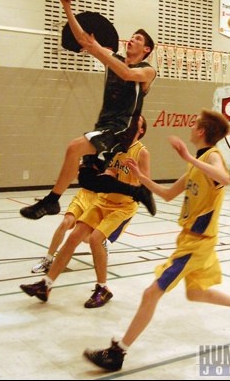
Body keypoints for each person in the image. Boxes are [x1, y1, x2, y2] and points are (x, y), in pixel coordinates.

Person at [83, 109, 230, 371]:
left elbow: (225, 178)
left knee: (151, 293)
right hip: (193, 240)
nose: (191, 127)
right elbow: (167, 194)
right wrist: (141, 178)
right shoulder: (196, 162)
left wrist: (188, 156)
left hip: (197, 242)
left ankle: (117, 352)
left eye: (194, 124)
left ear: (201, 132)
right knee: (196, 292)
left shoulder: (211, 156)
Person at [20, 0, 156, 220]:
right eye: (131, 37)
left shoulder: (147, 71)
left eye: (138, 39)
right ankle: (137, 191)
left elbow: (126, 72)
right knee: (87, 177)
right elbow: (83, 39)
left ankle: (51, 202)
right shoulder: (115, 59)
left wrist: (99, 51)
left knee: (74, 148)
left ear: (146, 50)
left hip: (123, 126)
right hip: (104, 123)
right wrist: (66, 6)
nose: (132, 40)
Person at [20, 115, 152, 308]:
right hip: (102, 201)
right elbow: (108, 173)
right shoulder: (115, 146)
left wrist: (137, 175)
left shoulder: (142, 153)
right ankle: (45, 285)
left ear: (141, 130)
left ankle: (103, 288)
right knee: (74, 236)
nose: (130, 124)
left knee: (96, 238)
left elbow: (146, 186)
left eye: (136, 123)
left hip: (123, 206)